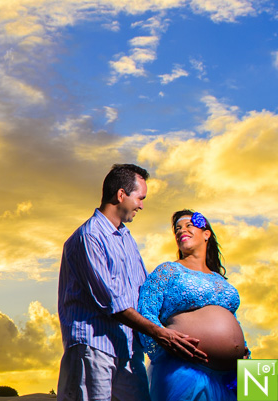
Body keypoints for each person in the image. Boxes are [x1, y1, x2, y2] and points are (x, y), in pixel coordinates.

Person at [57, 164, 205, 401]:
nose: (142, 205)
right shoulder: (89, 236)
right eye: (140, 198)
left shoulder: (126, 238)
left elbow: (142, 294)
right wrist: (161, 334)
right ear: (121, 195)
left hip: (128, 351)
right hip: (94, 349)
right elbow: (112, 302)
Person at [137, 210, 248, 401]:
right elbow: (146, 312)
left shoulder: (221, 281)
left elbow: (233, 321)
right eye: (177, 229)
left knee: (266, 394)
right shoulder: (168, 270)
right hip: (187, 372)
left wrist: (246, 358)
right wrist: (165, 344)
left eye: (189, 225)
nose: (181, 231)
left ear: (207, 234)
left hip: (233, 376)